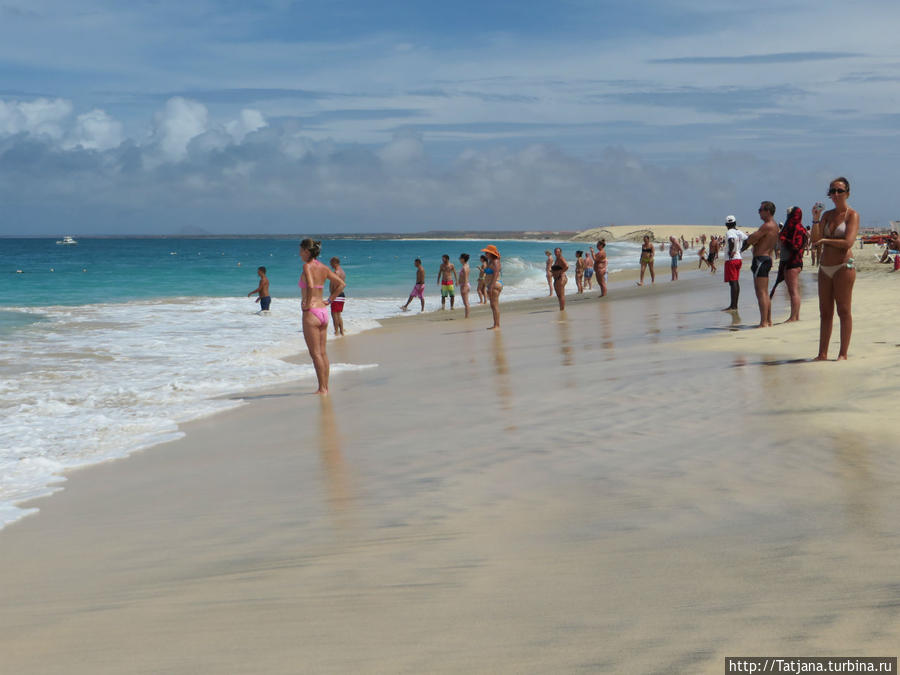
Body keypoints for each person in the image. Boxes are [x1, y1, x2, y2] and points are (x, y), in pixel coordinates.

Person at [811, 177, 858, 360]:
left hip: (843, 266)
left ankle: (843, 353)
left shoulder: (852, 215)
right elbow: (815, 240)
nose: (835, 194)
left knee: (844, 310)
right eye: (832, 191)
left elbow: (848, 242)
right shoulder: (826, 215)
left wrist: (826, 240)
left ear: (847, 193)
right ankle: (822, 353)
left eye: (839, 190)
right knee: (825, 312)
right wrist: (815, 220)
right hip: (825, 267)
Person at [299, 239, 345, 394]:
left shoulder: (307, 266)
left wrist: (306, 303)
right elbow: (341, 284)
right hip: (323, 312)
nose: (299, 254)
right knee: (323, 353)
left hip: (311, 313)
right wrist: (330, 300)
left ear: (306, 251)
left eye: (300, 250)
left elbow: (311, 285)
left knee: (315, 354)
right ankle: (325, 387)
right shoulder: (324, 268)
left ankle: (322, 388)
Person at [741, 201, 779, 327]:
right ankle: (768, 320)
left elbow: (751, 239)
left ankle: (764, 321)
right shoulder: (774, 226)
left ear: (768, 211)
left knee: (761, 292)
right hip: (766, 259)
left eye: (761, 209)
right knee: (765, 292)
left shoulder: (767, 226)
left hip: (761, 260)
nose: (759, 211)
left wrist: (751, 241)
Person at [769, 207, 806, 322]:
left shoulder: (794, 228)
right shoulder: (800, 228)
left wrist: (784, 239)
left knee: (793, 291)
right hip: (795, 261)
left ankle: (794, 317)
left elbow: (795, 246)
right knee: (794, 291)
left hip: (792, 262)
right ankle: (795, 316)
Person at [722, 215, 747, 311]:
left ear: (726, 225)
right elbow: (748, 240)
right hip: (738, 259)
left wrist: (731, 251)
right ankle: (734, 305)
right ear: (735, 223)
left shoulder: (729, 232)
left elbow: (731, 240)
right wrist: (741, 250)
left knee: (733, 283)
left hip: (731, 260)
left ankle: (733, 306)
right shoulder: (739, 232)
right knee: (735, 281)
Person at [482, 245, 502, 329]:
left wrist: (491, 287)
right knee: (493, 305)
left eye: (487, 252)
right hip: (491, 285)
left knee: (495, 305)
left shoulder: (495, 262)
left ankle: (496, 325)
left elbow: (496, 273)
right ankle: (495, 324)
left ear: (491, 253)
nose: (485, 254)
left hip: (494, 284)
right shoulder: (491, 261)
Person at [329, 257, 346, 335]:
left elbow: (333, 285)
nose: (330, 264)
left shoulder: (336, 272)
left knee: (334, 314)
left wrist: (332, 295)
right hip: (342, 294)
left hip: (336, 294)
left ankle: (336, 332)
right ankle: (341, 331)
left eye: (331, 263)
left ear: (335, 262)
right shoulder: (342, 272)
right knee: (338, 314)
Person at [458, 253, 471, 318]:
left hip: (464, 285)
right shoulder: (466, 265)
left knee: (466, 303)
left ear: (463, 259)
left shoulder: (464, 267)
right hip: (464, 284)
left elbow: (465, 278)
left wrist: (465, 287)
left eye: (460, 258)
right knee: (466, 302)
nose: (459, 259)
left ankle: (467, 316)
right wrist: (458, 282)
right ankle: (467, 316)